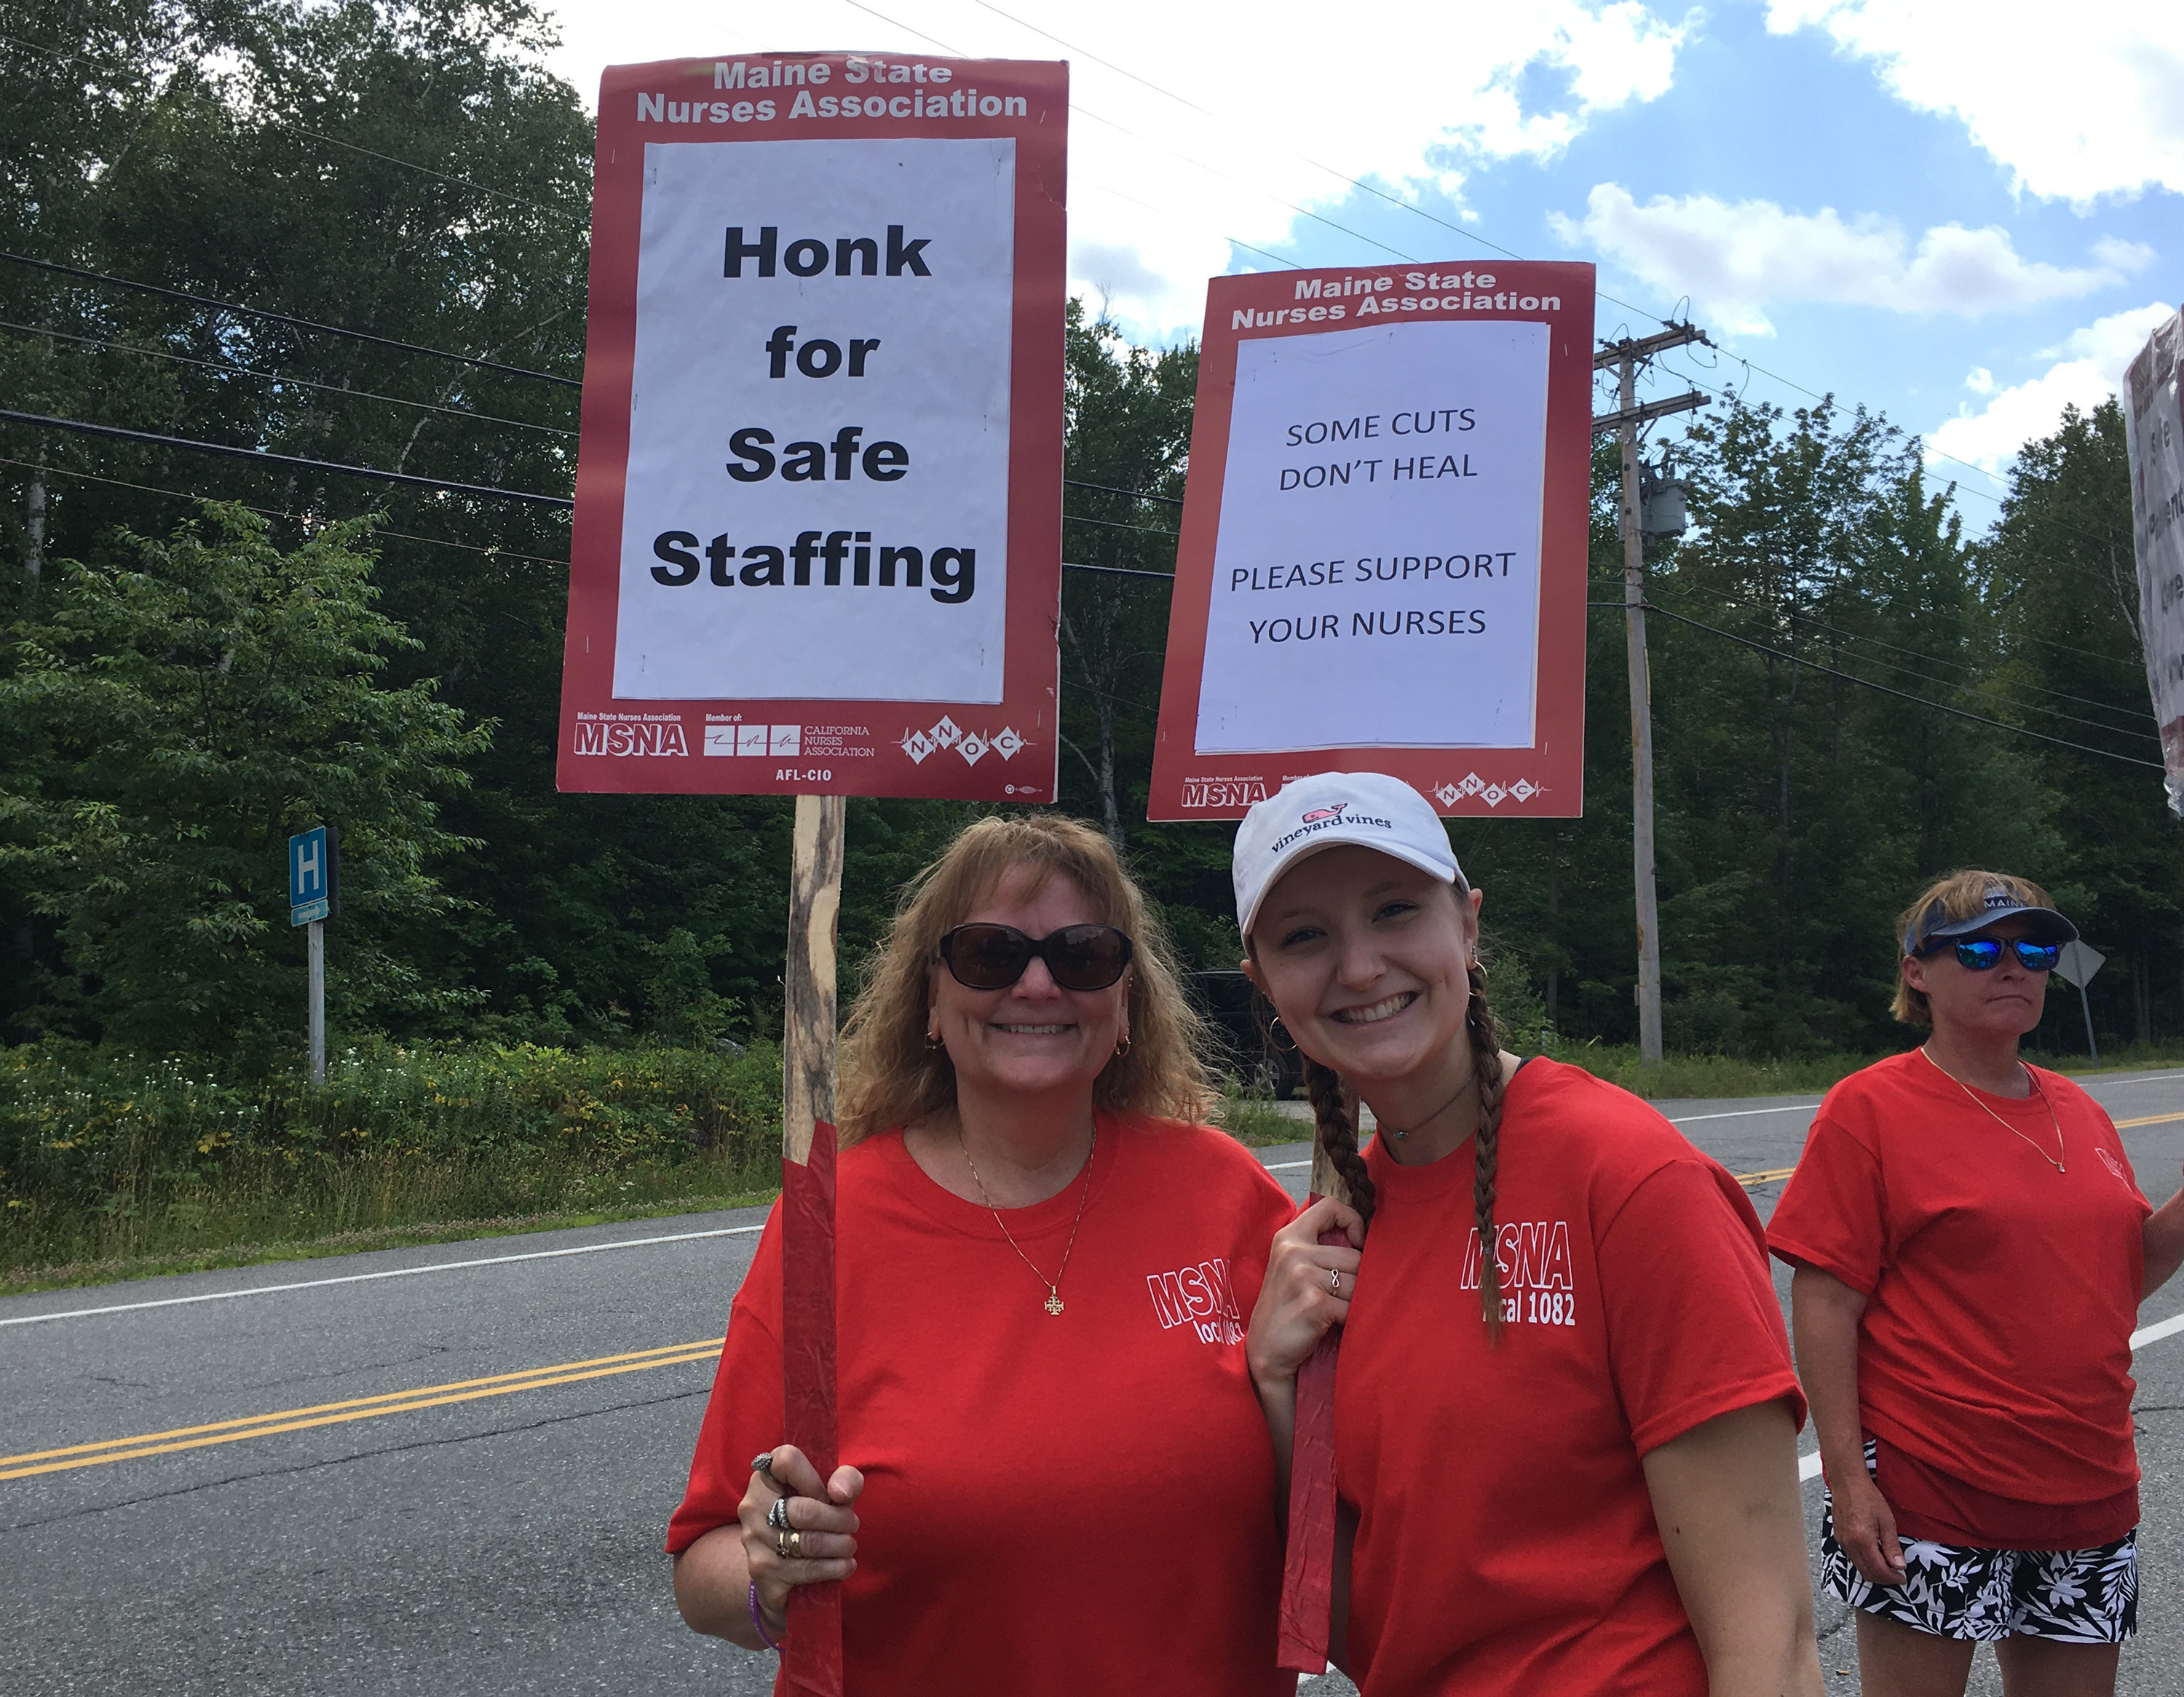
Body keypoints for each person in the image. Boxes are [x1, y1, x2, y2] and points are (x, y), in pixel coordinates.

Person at [666, 813, 1299, 1696]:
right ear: (931, 996)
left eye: (1081, 955)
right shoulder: (827, 1221)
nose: (1036, 985)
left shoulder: (1227, 1195)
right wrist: (768, 1571)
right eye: (989, 955)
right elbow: (704, 1567)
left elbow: (1338, 1498)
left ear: (1125, 1000)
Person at [1237, 771, 1824, 1697]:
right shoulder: (1337, 1242)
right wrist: (1276, 1384)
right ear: (1263, 983)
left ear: (1468, 927)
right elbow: (1374, 1633)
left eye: (1395, 911)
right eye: (1304, 936)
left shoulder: (1630, 1179)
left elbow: (1772, 1649)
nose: (1358, 967)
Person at [1768, 871, 2184, 1696]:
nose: (2015, 967)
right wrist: (1849, 1484)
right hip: (1933, 1487)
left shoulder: (2081, 1110)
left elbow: (2115, 1279)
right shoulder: (1871, 1109)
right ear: (1917, 971)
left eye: (2036, 949)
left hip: (2086, 1488)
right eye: (1982, 949)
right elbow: (1824, 1303)